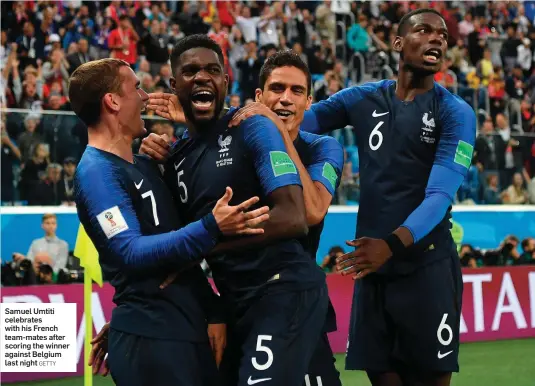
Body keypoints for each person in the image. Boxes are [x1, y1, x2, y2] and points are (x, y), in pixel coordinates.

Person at [252, 8, 474, 386]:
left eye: (443, 36)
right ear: (398, 43)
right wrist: (214, 122)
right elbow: (290, 119)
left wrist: (391, 244)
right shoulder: (363, 99)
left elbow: (439, 196)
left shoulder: (455, 113)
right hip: (373, 267)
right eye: (424, 30)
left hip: (426, 268)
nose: (437, 39)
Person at [144, 50, 344, 386]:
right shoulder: (238, 135)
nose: (285, 98)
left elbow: (310, 213)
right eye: (276, 89)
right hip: (238, 298)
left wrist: (273, 129)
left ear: (309, 101)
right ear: (259, 96)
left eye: (297, 91)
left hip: (289, 292)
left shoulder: (323, 148)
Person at [69, 58, 270, 386]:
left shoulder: (145, 165)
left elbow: (179, 255)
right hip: (152, 341)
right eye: (136, 87)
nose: (146, 96)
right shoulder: (96, 174)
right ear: (113, 101)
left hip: (183, 330)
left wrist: (213, 310)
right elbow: (129, 251)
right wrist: (212, 226)